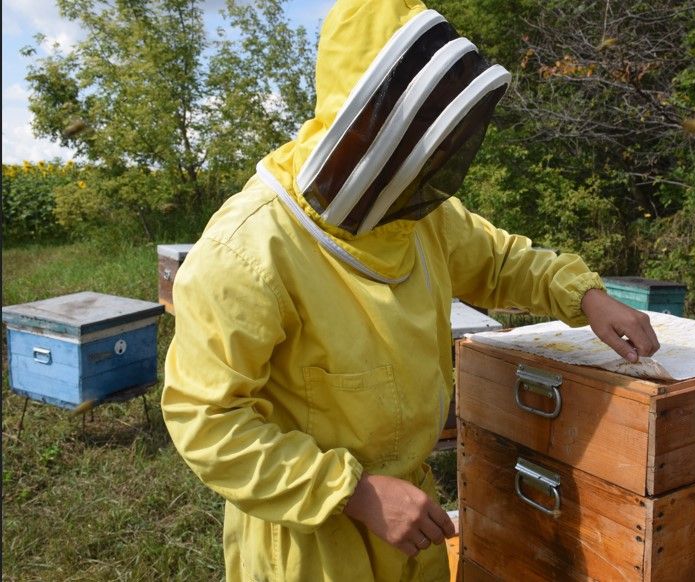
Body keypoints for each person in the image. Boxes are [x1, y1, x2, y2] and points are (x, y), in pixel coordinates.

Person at [160, 0, 660, 580]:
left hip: (410, 522)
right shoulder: (249, 252)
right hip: (309, 544)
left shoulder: (418, 219)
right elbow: (207, 420)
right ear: (367, 118)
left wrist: (586, 297)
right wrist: (354, 493)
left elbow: (501, 261)